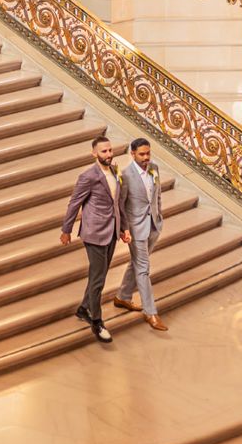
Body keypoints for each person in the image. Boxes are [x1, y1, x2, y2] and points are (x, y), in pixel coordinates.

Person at [60, 135, 130, 343]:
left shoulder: (115, 171)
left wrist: (124, 228)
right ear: (94, 153)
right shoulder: (88, 176)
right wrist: (66, 230)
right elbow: (74, 204)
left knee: (98, 275)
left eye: (110, 150)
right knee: (98, 278)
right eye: (103, 152)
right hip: (94, 233)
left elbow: (119, 203)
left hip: (112, 231)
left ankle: (83, 308)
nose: (108, 154)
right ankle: (97, 322)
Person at [113, 137, 168, 332]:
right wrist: (125, 229)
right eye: (142, 154)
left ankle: (122, 296)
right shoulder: (126, 175)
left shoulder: (154, 168)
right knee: (143, 268)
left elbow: (157, 195)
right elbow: (121, 205)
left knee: (136, 263)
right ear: (133, 154)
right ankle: (150, 312)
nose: (146, 157)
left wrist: (159, 216)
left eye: (148, 153)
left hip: (154, 224)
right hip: (136, 229)